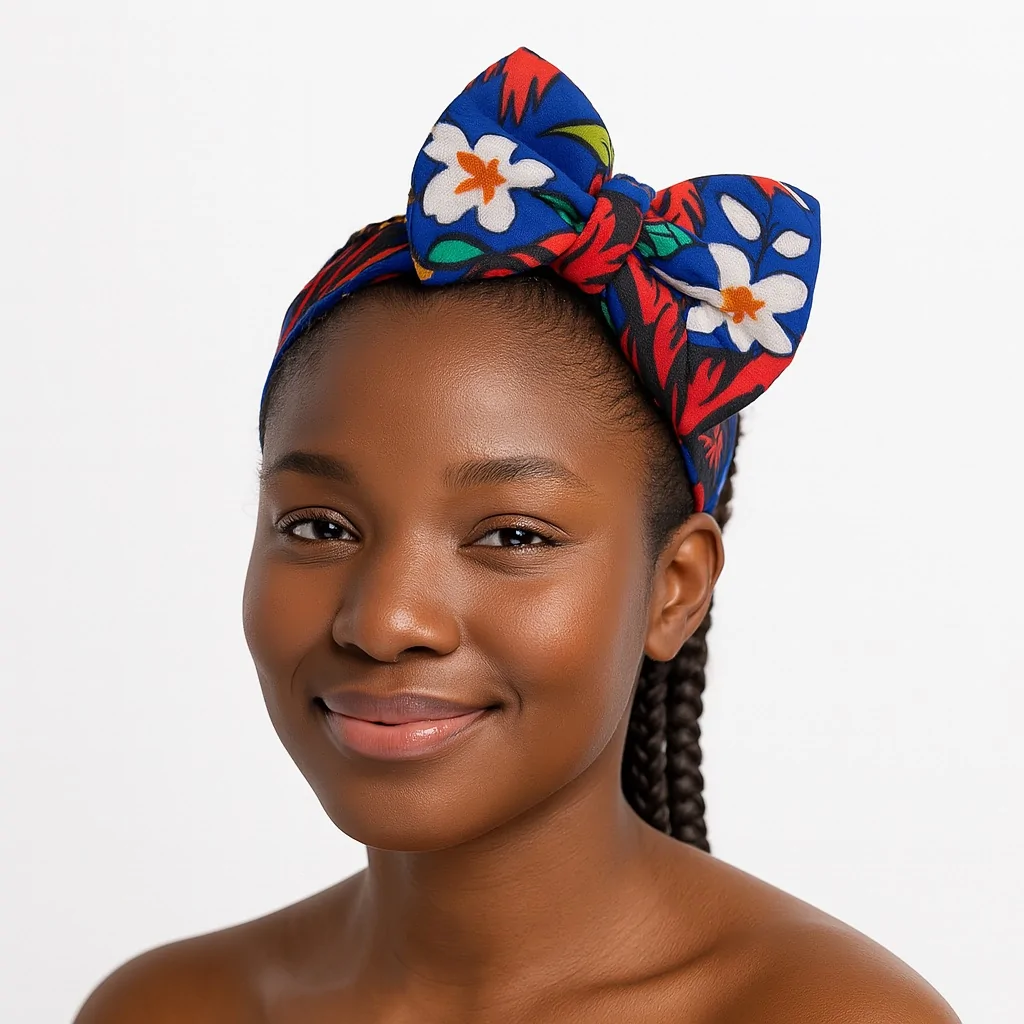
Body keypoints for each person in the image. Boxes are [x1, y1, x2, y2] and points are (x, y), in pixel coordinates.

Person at [74, 47, 961, 1024]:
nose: (385, 619)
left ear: (674, 587)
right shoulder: (169, 1008)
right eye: (321, 525)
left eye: (512, 535)